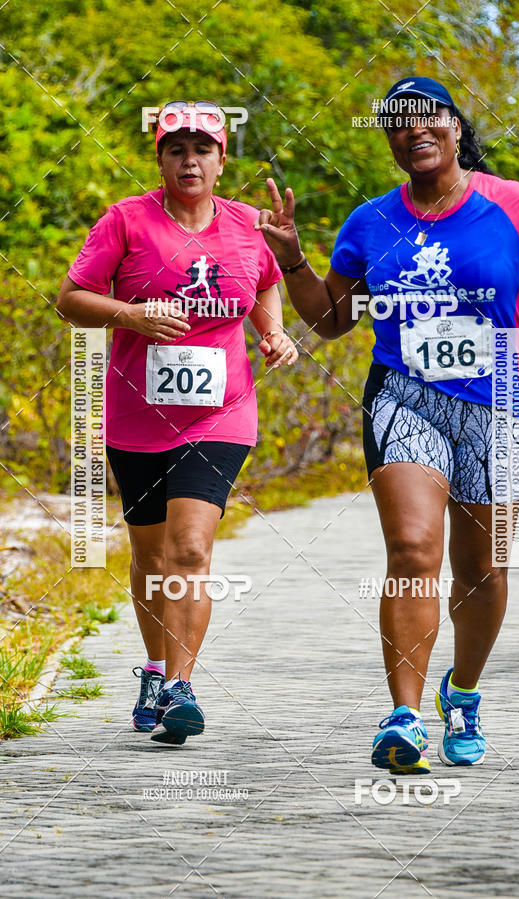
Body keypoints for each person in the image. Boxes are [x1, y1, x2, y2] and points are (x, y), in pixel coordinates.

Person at [255, 76, 519, 773]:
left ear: (454, 126)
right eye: (397, 120)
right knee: (413, 549)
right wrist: (291, 258)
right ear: (388, 139)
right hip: (404, 395)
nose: (413, 127)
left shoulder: (515, 204)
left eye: (427, 115)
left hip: (499, 400)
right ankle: (404, 715)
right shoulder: (369, 222)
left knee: (486, 568)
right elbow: (331, 319)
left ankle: (463, 692)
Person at [57, 101, 298, 745]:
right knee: (150, 554)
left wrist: (273, 332)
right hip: (136, 414)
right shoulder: (126, 220)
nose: (190, 161)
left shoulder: (249, 224)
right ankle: (156, 667)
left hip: (222, 412)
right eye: (176, 150)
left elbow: (266, 283)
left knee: (189, 549)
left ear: (222, 160)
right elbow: (70, 299)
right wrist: (131, 316)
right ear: (160, 160)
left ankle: (181, 688)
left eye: (203, 149)